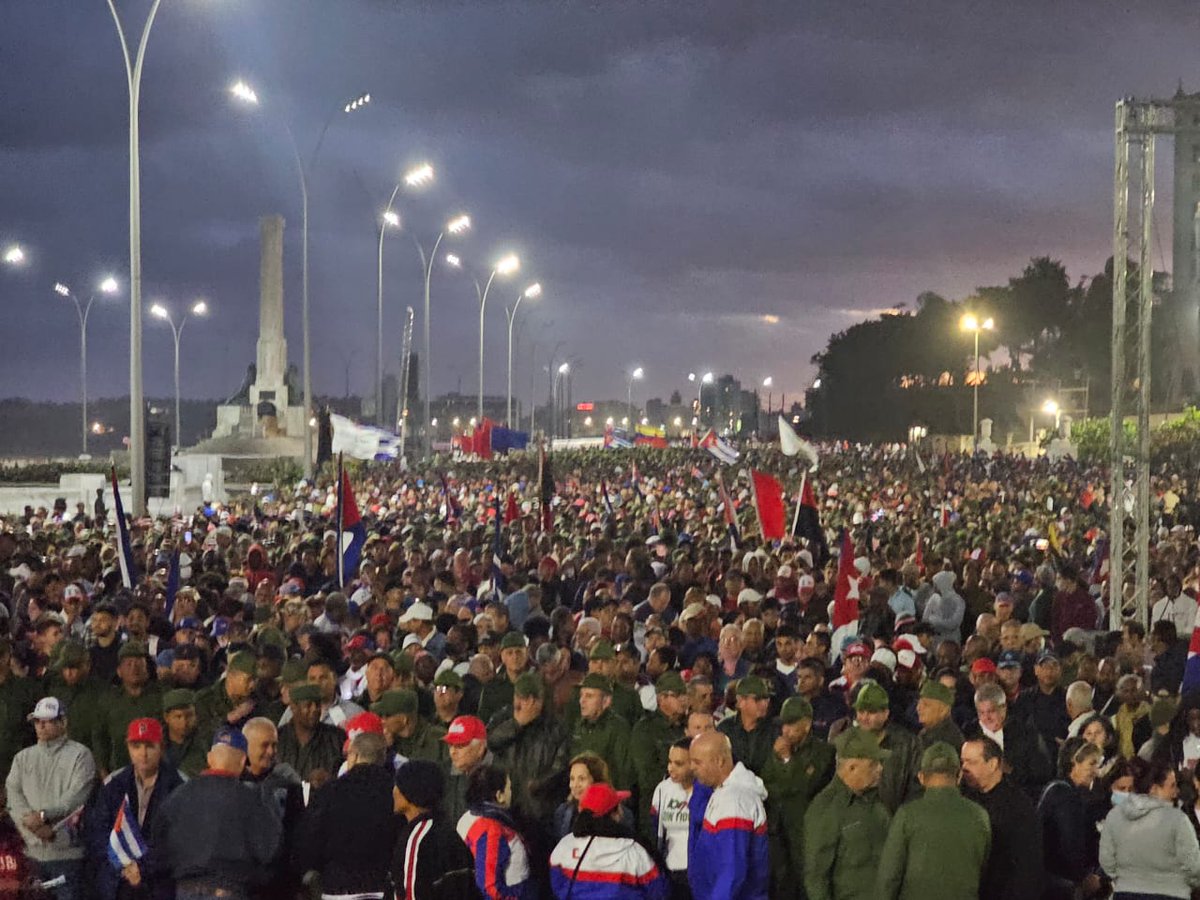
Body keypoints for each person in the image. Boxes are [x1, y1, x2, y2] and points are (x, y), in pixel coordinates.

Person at [153, 726, 283, 899]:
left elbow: (158, 845)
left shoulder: (178, 795)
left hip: (185, 890)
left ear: (210, 758)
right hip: (229, 889)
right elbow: (271, 850)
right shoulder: (253, 798)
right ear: (243, 761)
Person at [5, 697, 97, 900]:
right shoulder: (22, 758)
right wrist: (36, 830)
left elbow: (76, 800)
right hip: (31, 856)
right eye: (38, 721)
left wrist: (44, 817)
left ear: (62, 722)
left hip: (69, 857)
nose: (41, 726)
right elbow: (13, 798)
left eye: (47, 721)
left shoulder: (81, 755)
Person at [85, 717, 184, 900]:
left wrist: (143, 867)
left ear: (161, 747)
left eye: (149, 746)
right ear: (128, 748)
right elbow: (97, 831)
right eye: (136, 746)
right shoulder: (114, 785)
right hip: (118, 884)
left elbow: (178, 840)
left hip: (160, 885)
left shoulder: (178, 786)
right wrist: (123, 865)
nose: (143, 753)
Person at [876, 742, 990, 900]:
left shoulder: (907, 816)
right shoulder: (980, 816)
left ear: (921, 777)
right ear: (959, 776)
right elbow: (983, 869)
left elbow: (889, 878)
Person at [293, 731, 398, 900]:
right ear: (382, 757)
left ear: (354, 756)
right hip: (383, 887)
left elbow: (309, 841)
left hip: (338, 888)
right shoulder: (396, 793)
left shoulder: (329, 792)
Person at [802, 728, 892, 900]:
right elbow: (816, 877)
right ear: (851, 767)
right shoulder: (825, 808)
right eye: (873, 764)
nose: (880, 768)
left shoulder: (876, 803)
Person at [760, 696, 835, 900]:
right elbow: (765, 785)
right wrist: (785, 768)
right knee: (782, 885)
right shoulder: (775, 750)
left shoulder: (823, 752)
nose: (786, 730)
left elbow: (803, 786)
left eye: (792, 724)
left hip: (805, 831)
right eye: (784, 724)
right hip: (778, 830)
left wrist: (786, 760)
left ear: (807, 724)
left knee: (806, 885)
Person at [1099, 757, 1200, 900]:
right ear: (1153, 789)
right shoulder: (1178, 820)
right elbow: (1194, 867)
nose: (1176, 792)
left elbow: (1106, 861)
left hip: (1125, 893)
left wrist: (1125, 880)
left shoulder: (1115, 817)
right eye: (1171, 786)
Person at [549, 782, 669, 899]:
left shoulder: (565, 846)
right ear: (615, 814)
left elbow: (558, 885)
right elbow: (658, 891)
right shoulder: (634, 851)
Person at [960, 736, 1044, 900]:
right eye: (963, 762)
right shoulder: (964, 799)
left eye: (971, 762)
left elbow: (1028, 867)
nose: (964, 768)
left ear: (992, 764)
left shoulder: (1018, 806)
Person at [687, 731, 768, 900]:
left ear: (719, 761)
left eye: (697, 762)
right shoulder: (723, 791)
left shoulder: (735, 802)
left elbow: (732, 870)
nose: (692, 768)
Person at [390, 758, 477, 900]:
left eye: (398, 784)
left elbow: (410, 895)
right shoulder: (448, 831)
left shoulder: (417, 839)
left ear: (410, 793)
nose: (394, 790)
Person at [240, 717, 305, 900]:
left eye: (274, 745)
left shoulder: (289, 787)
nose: (271, 752)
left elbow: (297, 837)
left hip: (278, 886)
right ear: (246, 746)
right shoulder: (231, 785)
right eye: (264, 745)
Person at [1037, 737, 1106, 900]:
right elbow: (1070, 846)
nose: (1096, 771)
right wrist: (1085, 878)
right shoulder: (1064, 796)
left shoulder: (1060, 790)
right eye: (1091, 764)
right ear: (1074, 763)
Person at [457, 763, 535, 900]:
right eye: (509, 788)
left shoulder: (467, 818)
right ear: (499, 796)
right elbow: (489, 887)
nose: (511, 793)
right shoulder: (493, 829)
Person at [630, 670, 687, 839]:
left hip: (684, 811)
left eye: (685, 694)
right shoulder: (646, 729)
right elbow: (646, 776)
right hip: (655, 811)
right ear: (661, 699)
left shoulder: (686, 728)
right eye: (678, 695)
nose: (684, 700)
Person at [276, 682, 344, 790]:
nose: (314, 709)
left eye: (317, 704)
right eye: (308, 705)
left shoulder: (337, 738)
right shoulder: (277, 739)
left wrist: (329, 780)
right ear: (293, 707)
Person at [570, 673, 632, 789]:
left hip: (605, 797)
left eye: (589, 696)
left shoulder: (618, 728)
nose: (582, 701)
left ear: (606, 701)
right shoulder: (579, 725)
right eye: (581, 695)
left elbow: (623, 772)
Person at [650, 738, 694, 899]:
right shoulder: (663, 789)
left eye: (679, 764)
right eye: (670, 762)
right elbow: (657, 831)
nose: (671, 768)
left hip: (697, 872)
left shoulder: (707, 791)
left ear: (694, 763)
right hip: (670, 870)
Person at [554, 753, 632, 840]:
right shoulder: (563, 812)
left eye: (582, 779)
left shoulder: (621, 815)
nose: (575, 785)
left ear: (597, 781)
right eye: (572, 779)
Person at [717, 675, 777, 775]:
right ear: (740, 701)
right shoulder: (725, 729)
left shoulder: (775, 729)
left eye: (766, 699)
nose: (764, 704)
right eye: (758, 700)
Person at [443, 715, 493, 825]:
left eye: (460, 746)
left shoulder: (499, 774)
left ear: (480, 748)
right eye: (450, 745)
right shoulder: (443, 773)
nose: (452, 752)